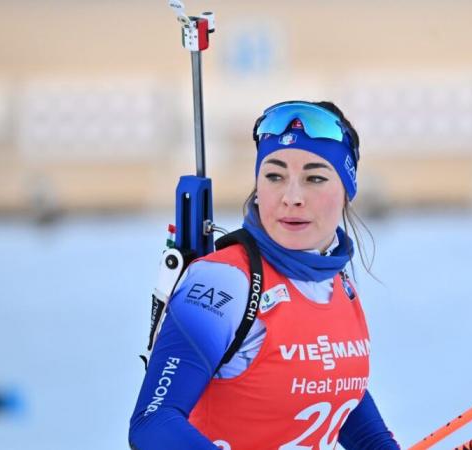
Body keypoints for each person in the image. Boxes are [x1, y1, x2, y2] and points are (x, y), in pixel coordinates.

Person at [129, 100, 400, 450]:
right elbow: (153, 424)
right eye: (274, 176)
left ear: (346, 190)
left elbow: (348, 409)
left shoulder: (335, 281)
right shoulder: (223, 280)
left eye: (315, 177)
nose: (292, 197)